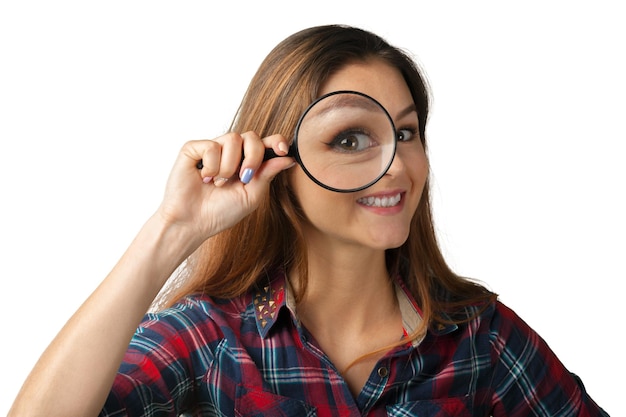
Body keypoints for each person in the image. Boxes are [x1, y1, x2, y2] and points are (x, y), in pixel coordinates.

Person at [9, 24, 608, 417]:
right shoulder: (216, 337)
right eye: (352, 138)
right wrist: (173, 227)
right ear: (279, 163)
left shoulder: (479, 339)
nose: (396, 166)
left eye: (406, 132)